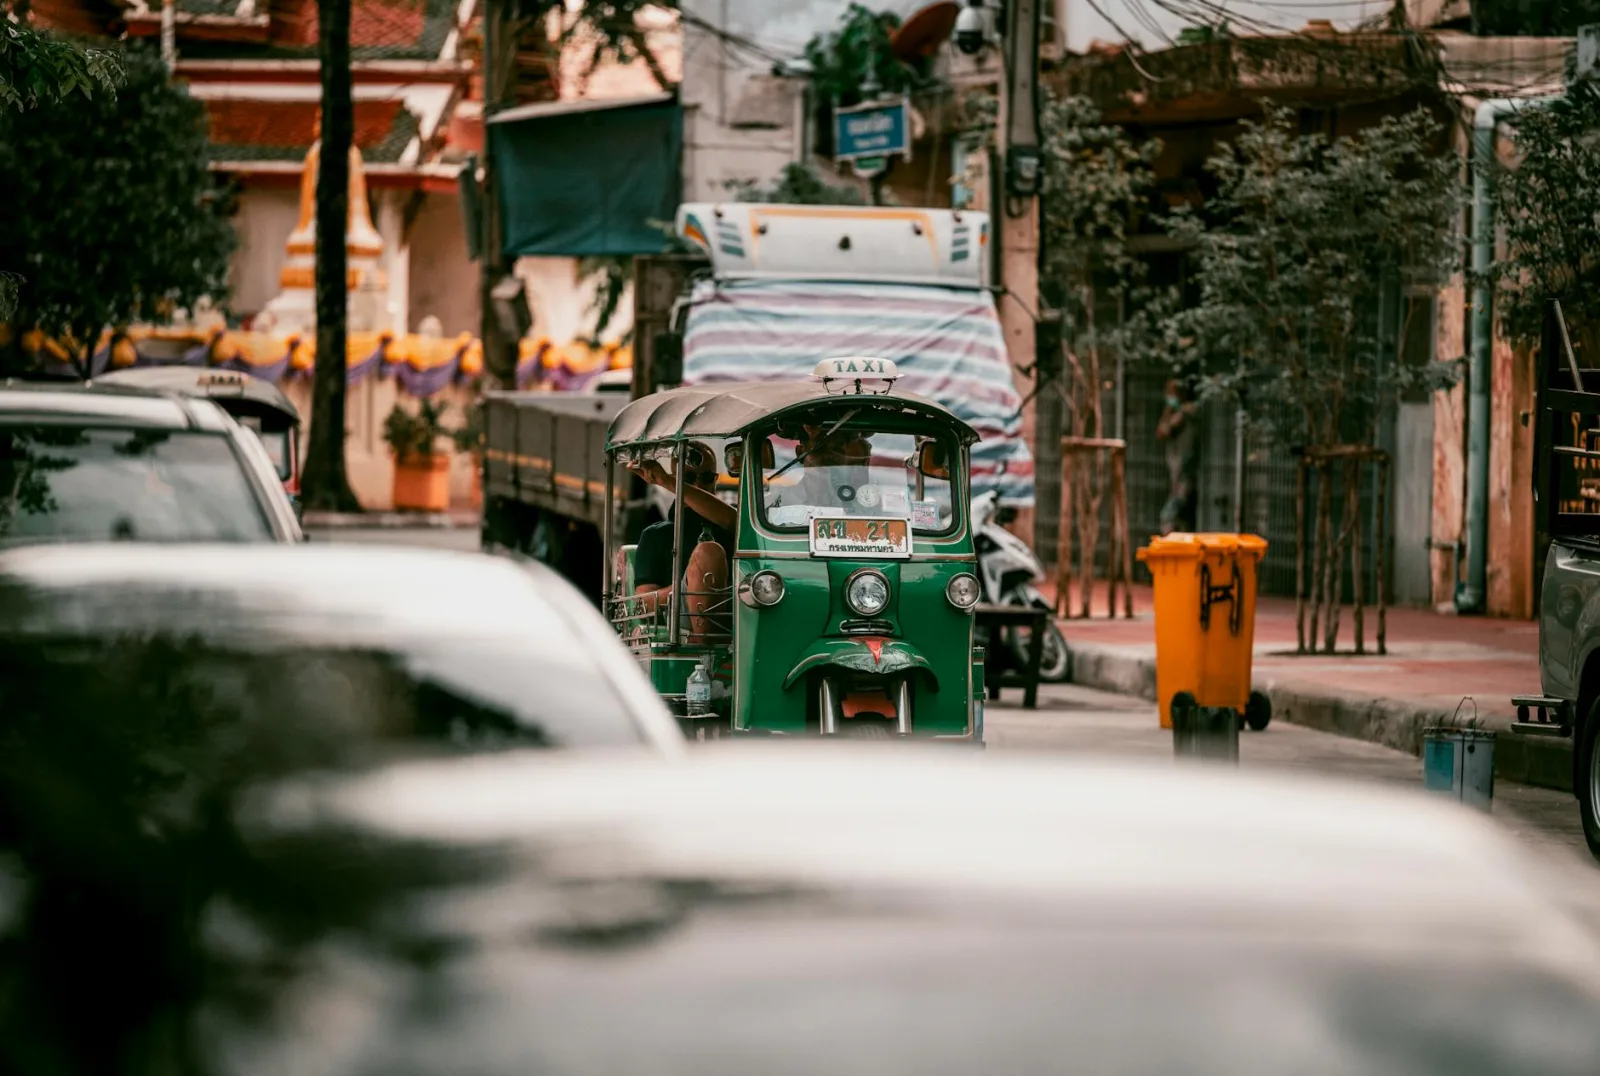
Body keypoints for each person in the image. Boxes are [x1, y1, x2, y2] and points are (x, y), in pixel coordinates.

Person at [627, 441, 735, 639]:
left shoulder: (732, 524)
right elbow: (643, 603)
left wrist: (668, 482)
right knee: (708, 554)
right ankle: (705, 652)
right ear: (678, 480)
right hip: (681, 622)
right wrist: (689, 589)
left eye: (706, 478)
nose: (697, 486)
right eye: (688, 478)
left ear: (715, 480)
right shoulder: (656, 535)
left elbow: (732, 520)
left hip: (737, 614)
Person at [1156, 379, 1199, 535]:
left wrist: (1170, 410)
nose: (1168, 397)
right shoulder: (1176, 412)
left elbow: (1165, 430)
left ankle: (1169, 532)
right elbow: (1160, 432)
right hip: (1178, 471)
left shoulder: (1186, 412)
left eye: (1171, 394)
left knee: (1169, 514)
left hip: (1186, 470)